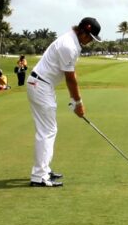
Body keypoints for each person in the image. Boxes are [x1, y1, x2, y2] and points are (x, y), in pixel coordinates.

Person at [27, 17, 102, 187]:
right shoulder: (69, 45)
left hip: (43, 85)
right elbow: (70, 79)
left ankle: (43, 170)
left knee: (48, 129)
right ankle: (39, 176)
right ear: (82, 31)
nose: (90, 41)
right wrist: (78, 103)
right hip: (41, 85)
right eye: (89, 37)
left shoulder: (71, 41)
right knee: (47, 130)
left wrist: (74, 102)